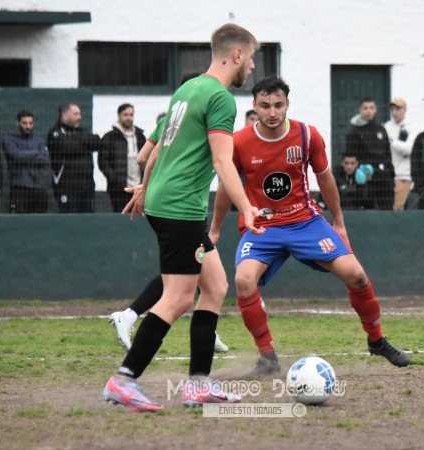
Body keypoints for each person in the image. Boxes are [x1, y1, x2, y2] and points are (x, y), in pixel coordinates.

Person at [102, 23, 263, 413]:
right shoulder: (221, 99)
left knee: (215, 285)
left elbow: (147, 154)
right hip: (179, 209)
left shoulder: (187, 90)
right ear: (237, 55)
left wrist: (144, 187)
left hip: (166, 202)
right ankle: (123, 380)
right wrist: (247, 207)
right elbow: (224, 161)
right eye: (253, 57)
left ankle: (198, 385)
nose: (254, 67)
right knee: (176, 298)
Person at [210, 75, 411, 377]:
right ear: (254, 106)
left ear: (287, 104)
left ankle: (377, 340)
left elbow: (325, 178)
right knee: (243, 280)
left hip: (306, 222)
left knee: (356, 276)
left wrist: (339, 222)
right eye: (265, 106)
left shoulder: (308, 135)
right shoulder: (239, 142)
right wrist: (214, 229)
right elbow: (226, 185)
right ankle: (267, 357)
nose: (272, 112)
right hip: (264, 228)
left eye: (278, 105)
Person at [47, 102, 101, 213]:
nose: (79, 117)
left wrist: (75, 139)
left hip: (87, 187)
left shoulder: (83, 131)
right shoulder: (55, 133)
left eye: (79, 114)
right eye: (76, 114)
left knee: (88, 221)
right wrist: (85, 145)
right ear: (65, 115)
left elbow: (97, 142)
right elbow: (67, 147)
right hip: (67, 187)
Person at [345, 97, 395, 210]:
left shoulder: (381, 129)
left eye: (371, 108)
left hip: (383, 178)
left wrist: (390, 172)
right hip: (365, 178)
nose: (368, 111)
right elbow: (350, 156)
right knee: (368, 208)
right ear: (360, 110)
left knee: (387, 208)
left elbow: (387, 153)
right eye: (365, 108)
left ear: (375, 109)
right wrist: (356, 174)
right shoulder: (354, 131)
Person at [99, 104, 147, 212]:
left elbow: (147, 158)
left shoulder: (140, 136)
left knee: (139, 215)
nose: (129, 117)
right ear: (119, 116)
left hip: (138, 188)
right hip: (118, 189)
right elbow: (103, 162)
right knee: (120, 215)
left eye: (131, 114)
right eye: (125, 114)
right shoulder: (110, 137)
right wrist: (114, 179)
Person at [3, 110, 51, 213]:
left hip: (38, 188)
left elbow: (45, 159)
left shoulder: (39, 141)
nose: (28, 126)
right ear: (18, 123)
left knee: (40, 221)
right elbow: (16, 156)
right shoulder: (10, 139)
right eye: (24, 123)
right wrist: (35, 153)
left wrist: (24, 155)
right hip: (19, 188)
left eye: (30, 123)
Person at [384, 98, 417, 211]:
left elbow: (409, 149)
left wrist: (392, 141)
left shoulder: (411, 127)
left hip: (403, 175)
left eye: (398, 109)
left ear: (405, 110)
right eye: (392, 109)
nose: (394, 112)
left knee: (397, 207)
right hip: (388, 174)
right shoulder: (387, 126)